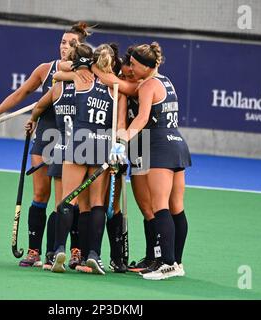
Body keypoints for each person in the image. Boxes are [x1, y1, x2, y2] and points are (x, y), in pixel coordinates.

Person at [0, 22, 91, 267]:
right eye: (63, 42)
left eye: (71, 44)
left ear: (80, 47)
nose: (65, 47)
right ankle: (34, 251)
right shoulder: (45, 69)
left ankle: (71, 250)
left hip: (74, 138)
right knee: (41, 194)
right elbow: (20, 94)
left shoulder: (87, 71)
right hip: (47, 136)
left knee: (70, 199)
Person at [98, 42, 191, 280]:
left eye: (134, 65)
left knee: (159, 206)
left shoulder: (148, 85)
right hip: (177, 145)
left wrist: (123, 139)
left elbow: (141, 117)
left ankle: (167, 263)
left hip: (158, 147)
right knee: (176, 208)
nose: (131, 68)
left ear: (147, 66)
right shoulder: (165, 81)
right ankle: (175, 262)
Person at [51, 43, 127, 275]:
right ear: (113, 62)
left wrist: (78, 68)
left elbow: (55, 74)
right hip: (103, 145)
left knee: (68, 199)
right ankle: (94, 254)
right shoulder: (118, 88)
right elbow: (121, 126)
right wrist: (119, 146)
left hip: (78, 142)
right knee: (97, 203)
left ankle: (59, 250)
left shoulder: (82, 78)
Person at [24, 42, 94, 270]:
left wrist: (33, 119)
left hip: (61, 149)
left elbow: (38, 107)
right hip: (83, 150)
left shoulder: (59, 87)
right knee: (81, 205)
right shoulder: (89, 85)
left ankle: (53, 253)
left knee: (60, 204)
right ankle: (79, 253)